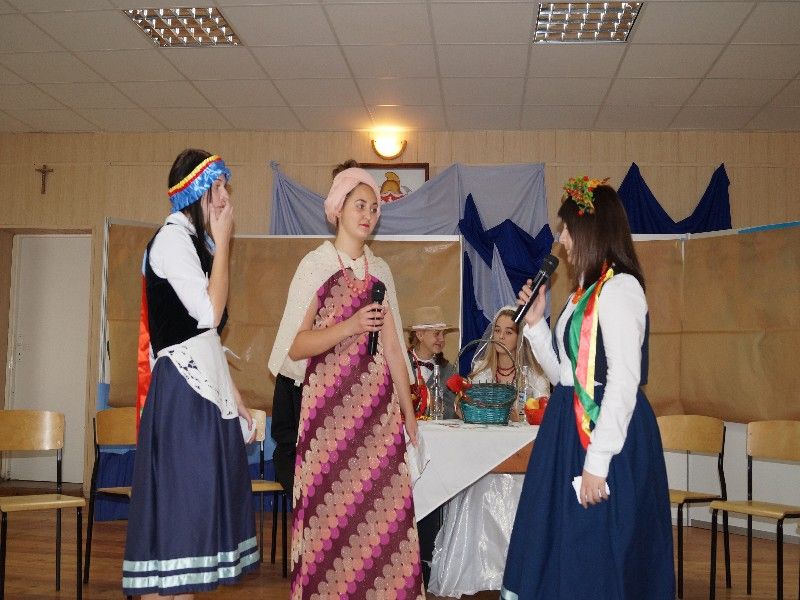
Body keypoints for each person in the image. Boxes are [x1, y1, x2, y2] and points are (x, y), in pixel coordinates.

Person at [501, 178, 674, 599]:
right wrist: (535, 325)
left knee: (598, 546)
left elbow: (623, 380)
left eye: (566, 229)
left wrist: (598, 460)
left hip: (605, 437)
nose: (561, 239)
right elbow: (565, 375)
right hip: (568, 432)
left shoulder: (620, 290)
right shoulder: (583, 294)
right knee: (564, 544)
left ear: (590, 230)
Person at [268, 161, 425, 599]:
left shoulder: (382, 271)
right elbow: (295, 346)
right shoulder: (315, 265)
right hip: (328, 419)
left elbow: (394, 350)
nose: (368, 214)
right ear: (338, 208)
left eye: (374, 208)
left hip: (377, 417)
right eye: (360, 205)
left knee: (383, 518)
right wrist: (351, 326)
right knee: (331, 521)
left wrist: (409, 416)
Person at [123, 149, 258, 598]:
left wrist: (234, 395)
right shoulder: (172, 240)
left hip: (202, 388)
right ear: (195, 194)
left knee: (196, 514)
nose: (224, 199)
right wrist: (225, 243)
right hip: (183, 391)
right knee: (183, 513)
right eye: (217, 189)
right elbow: (208, 314)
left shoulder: (199, 245)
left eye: (225, 188)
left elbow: (208, 337)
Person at [428, 306, 549, 597]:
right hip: (484, 461)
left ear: (520, 338)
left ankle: (514, 574)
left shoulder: (534, 376)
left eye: (509, 332)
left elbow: (542, 414)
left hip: (520, 462)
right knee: (477, 487)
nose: (501, 337)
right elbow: (466, 409)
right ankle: (475, 573)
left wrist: (523, 413)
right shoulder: (481, 370)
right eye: (497, 330)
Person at [406, 305, 459, 420]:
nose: (442, 339)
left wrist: (435, 406)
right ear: (420, 335)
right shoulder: (401, 364)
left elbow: (452, 411)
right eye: (437, 334)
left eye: (443, 334)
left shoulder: (448, 371)